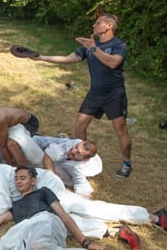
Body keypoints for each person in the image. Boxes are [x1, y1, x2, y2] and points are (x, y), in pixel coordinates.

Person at [0, 164, 167, 250]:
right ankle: (115, 230)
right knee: (66, 220)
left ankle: (153, 217)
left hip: (42, 187)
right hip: (33, 196)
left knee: (87, 208)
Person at [30, 14, 133, 178]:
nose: (94, 25)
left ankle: (126, 163)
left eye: (98, 23)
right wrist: (41, 57)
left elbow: (113, 62)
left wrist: (93, 47)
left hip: (114, 93)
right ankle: (81, 158)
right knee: (80, 124)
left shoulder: (118, 45)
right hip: (95, 93)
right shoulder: (91, 45)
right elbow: (68, 59)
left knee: (120, 130)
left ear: (108, 26)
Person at [33, 135, 102, 197]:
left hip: (78, 166)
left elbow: (82, 187)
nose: (73, 151)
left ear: (84, 159)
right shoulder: (71, 144)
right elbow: (48, 156)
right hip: (39, 141)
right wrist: (51, 178)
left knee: (68, 180)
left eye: (78, 153)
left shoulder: (79, 167)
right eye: (76, 147)